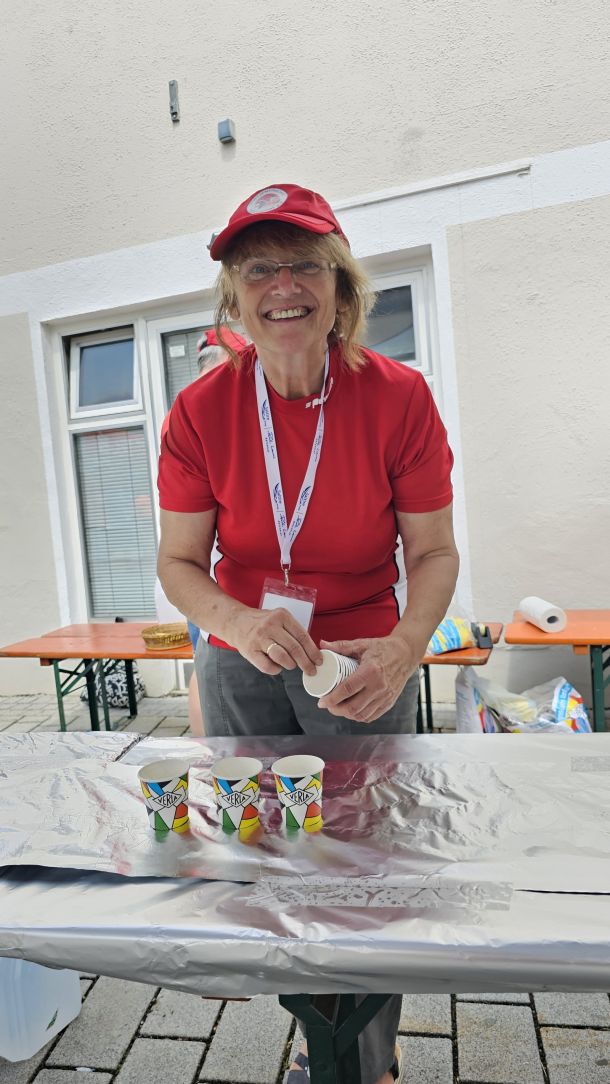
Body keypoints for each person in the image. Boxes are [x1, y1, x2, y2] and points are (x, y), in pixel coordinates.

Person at [157, 184, 459, 1084]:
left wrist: (406, 647)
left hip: (363, 660)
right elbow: (180, 563)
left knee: (361, 859)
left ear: (340, 287)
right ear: (234, 296)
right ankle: (308, 1022)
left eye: (304, 266)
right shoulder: (200, 411)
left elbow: (434, 552)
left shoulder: (399, 398)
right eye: (259, 269)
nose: (282, 286)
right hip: (242, 653)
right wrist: (235, 621)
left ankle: (368, 1055)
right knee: (264, 844)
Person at [158, 327, 247, 735]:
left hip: (200, 571)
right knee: (213, 666)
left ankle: (210, 758)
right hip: (213, 573)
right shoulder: (207, 412)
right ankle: (212, 757)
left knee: (205, 663)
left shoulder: (181, 412)